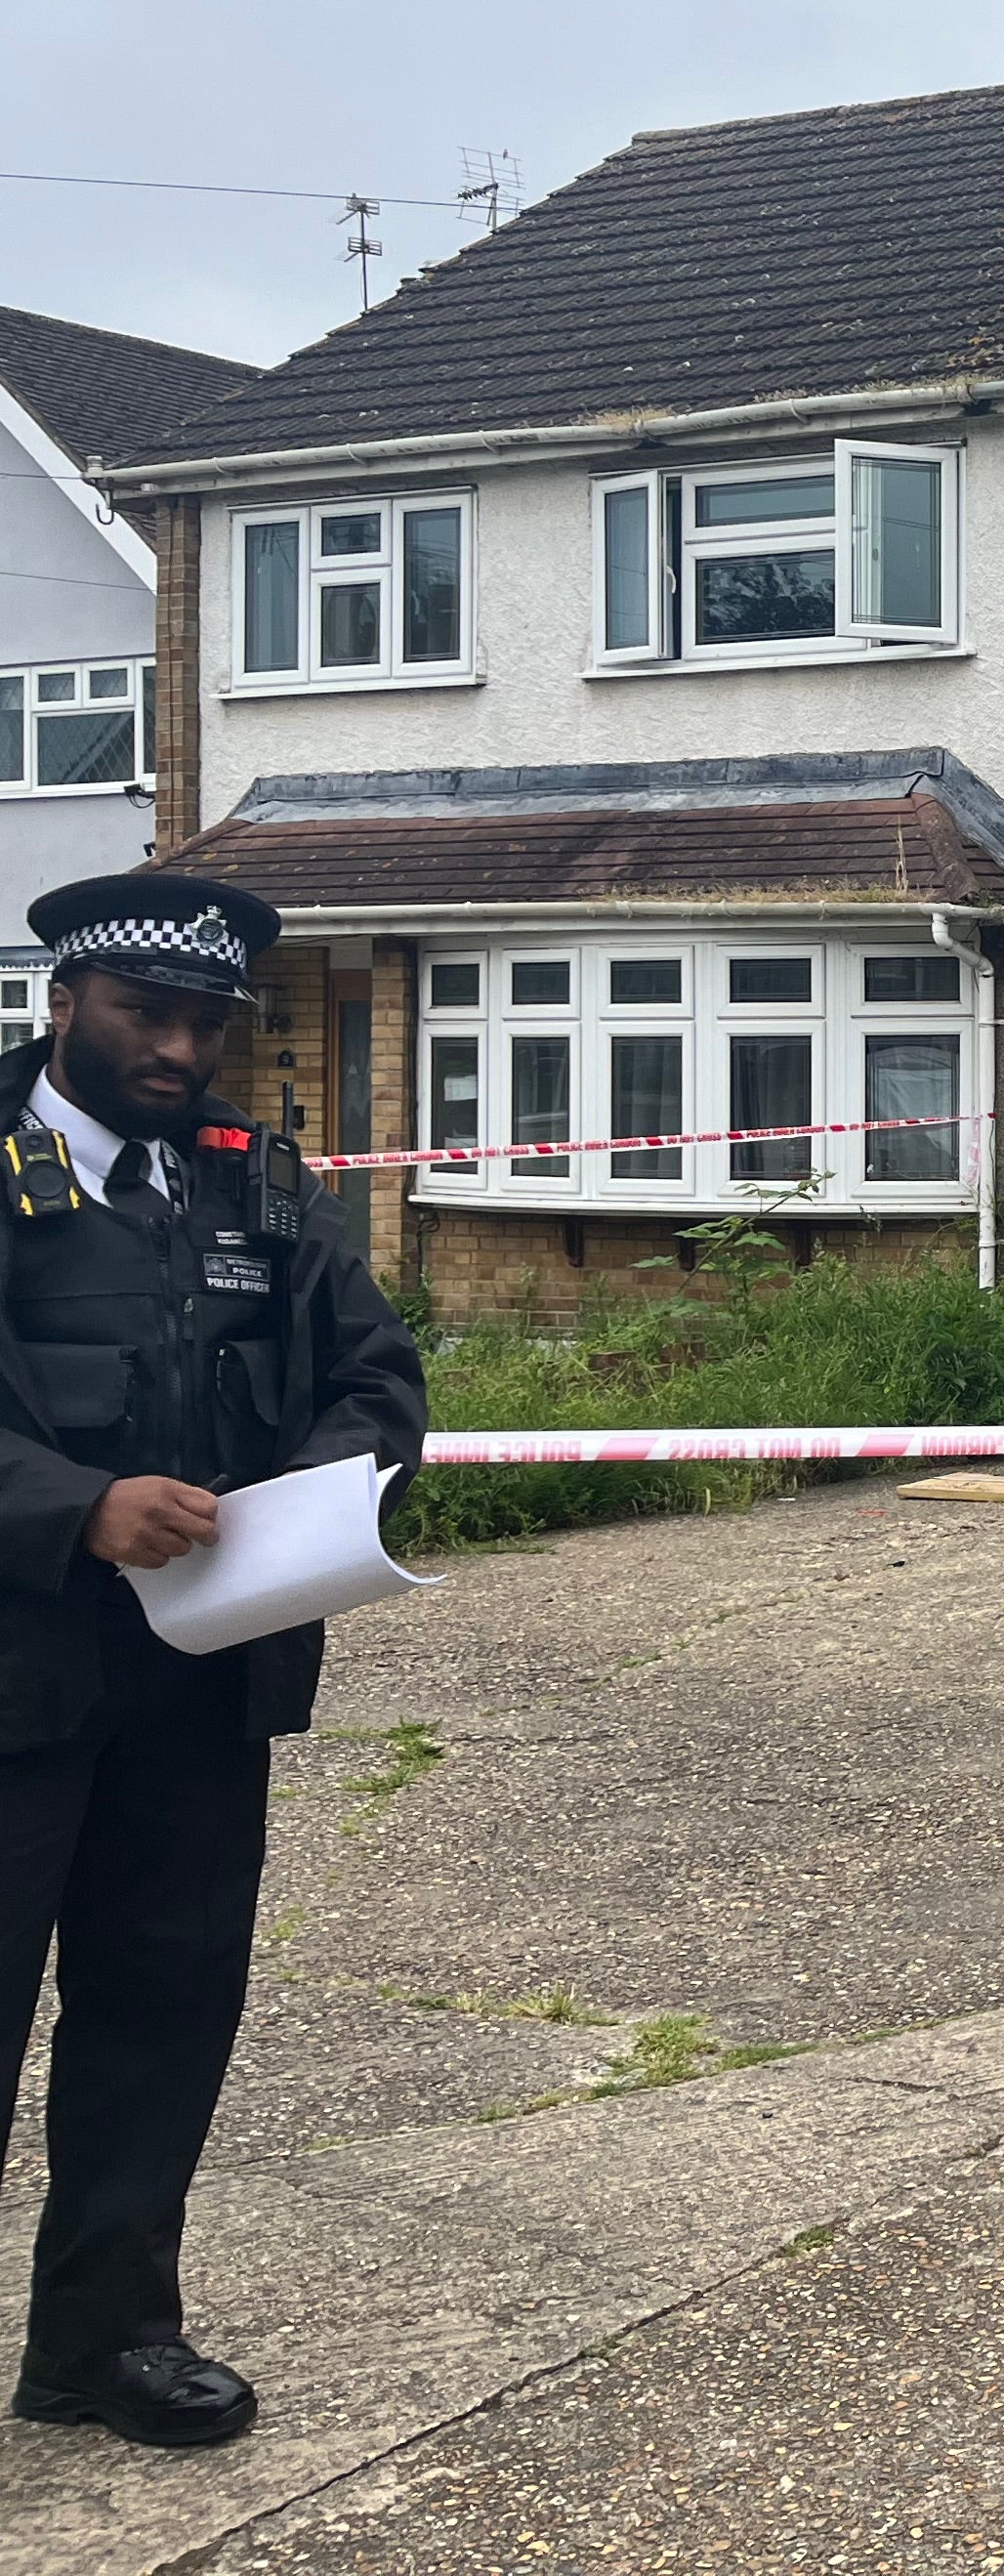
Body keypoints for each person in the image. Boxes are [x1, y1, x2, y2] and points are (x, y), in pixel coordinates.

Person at [0, 873, 425, 2448]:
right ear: (64, 1003)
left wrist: (329, 1494)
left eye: (206, 1021)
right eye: (145, 1014)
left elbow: (374, 1374)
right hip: (14, 1678)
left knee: (162, 2012)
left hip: (195, 1683)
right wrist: (77, 1504)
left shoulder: (259, 1185)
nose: (179, 1047)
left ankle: (103, 2344)